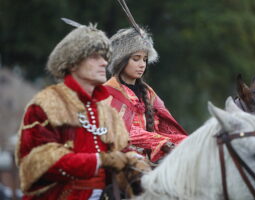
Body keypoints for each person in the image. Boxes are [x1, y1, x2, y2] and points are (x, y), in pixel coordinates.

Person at [15, 23, 132, 199]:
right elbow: (42, 164)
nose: (104, 63)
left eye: (105, 57)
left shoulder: (109, 114)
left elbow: (119, 161)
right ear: (72, 63)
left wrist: (133, 162)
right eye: (95, 57)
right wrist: (100, 160)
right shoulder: (47, 104)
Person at [104, 27, 187, 163]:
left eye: (145, 59)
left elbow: (165, 130)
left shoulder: (149, 93)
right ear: (121, 60)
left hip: (151, 162)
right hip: (121, 163)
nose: (142, 65)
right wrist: (161, 142)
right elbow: (122, 130)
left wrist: (187, 142)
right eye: (136, 59)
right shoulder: (107, 92)